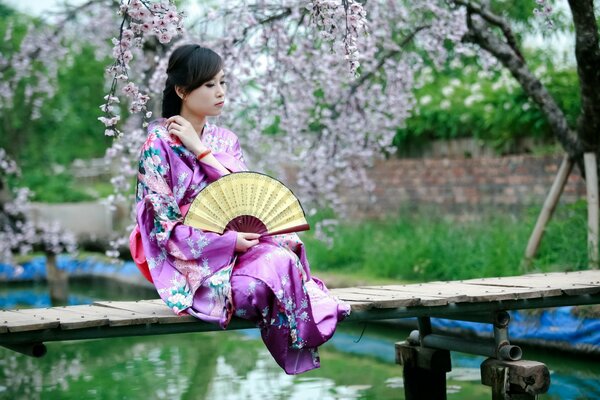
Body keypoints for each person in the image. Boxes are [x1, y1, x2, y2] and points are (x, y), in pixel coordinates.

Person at [130, 44, 351, 375]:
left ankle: (298, 325)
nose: (221, 92)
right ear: (182, 91)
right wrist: (227, 243)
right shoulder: (156, 146)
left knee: (285, 254)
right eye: (209, 85)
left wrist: (200, 150)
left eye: (223, 82)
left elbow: (243, 195)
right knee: (260, 286)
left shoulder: (224, 140)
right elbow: (162, 229)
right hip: (196, 261)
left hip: (243, 243)